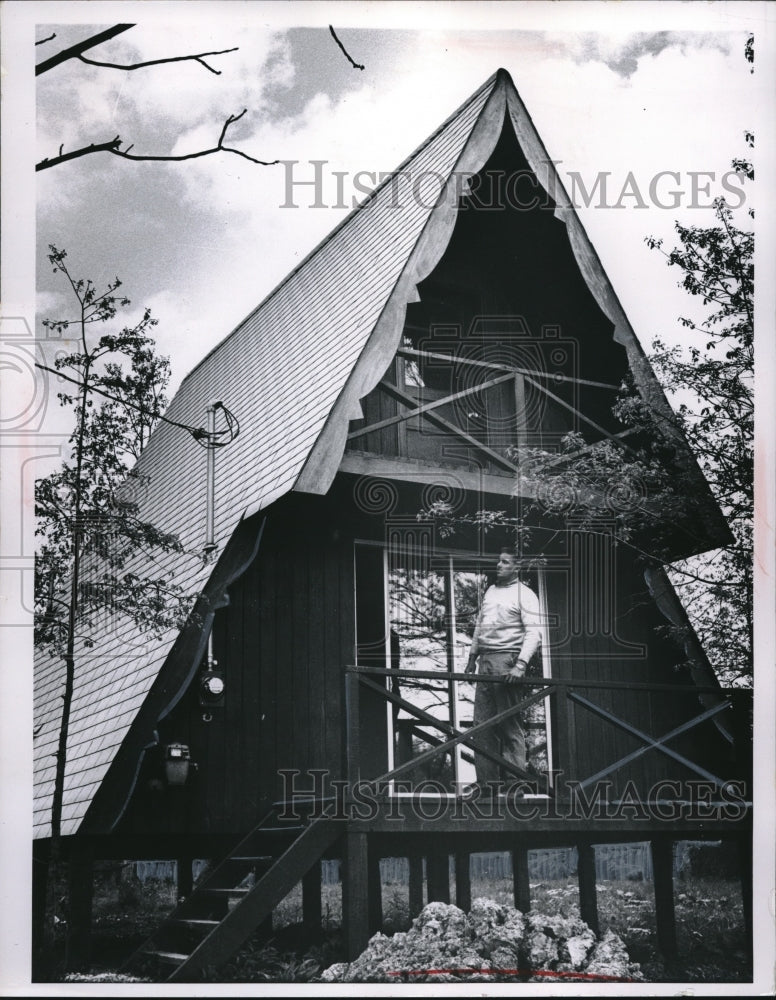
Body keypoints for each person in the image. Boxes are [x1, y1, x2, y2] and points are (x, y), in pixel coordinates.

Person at [464, 548, 542, 792]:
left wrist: (521, 664)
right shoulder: (491, 591)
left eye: (505, 562)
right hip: (485, 662)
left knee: (510, 724)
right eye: (498, 561)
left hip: (507, 661)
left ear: (516, 567)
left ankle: (514, 782)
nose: (499, 565)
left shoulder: (525, 594)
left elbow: (534, 633)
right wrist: (471, 658)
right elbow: (480, 625)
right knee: (481, 726)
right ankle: (486, 784)